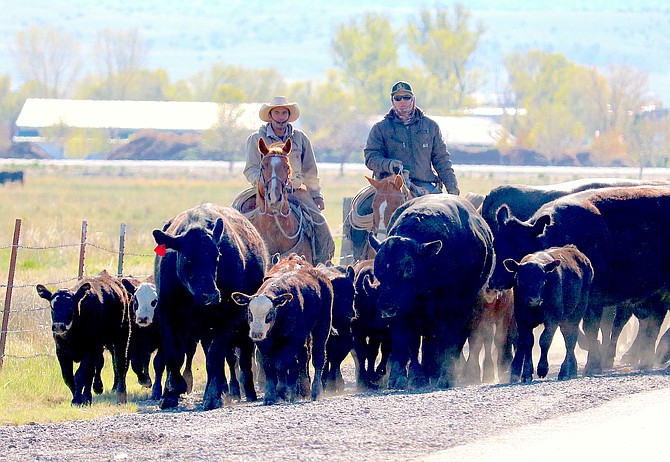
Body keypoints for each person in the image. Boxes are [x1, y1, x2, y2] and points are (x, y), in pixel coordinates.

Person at [243, 96, 335, 264]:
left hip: (296, 191)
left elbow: (310, 169)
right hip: (262, 189)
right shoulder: (256, 138)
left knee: (320, 222)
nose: (280, 116)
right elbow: (250, 168)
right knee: (237, 214)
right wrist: (266, 182)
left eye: (284, 113)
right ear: (270, 116)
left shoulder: (300, 138)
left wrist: (316, 195)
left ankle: (323, 263)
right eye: (276, 113)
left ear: (288, 116)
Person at [364, 81, 460, 196]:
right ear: (392, 101)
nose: (402, 101)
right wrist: (389, 165)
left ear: (413, 99)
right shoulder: (380, 128)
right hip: (392, 186)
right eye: (398, 98)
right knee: (366, 209)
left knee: (444, 211)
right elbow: (371, 158)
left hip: (425, 185)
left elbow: (441, 160)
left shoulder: (430, 126)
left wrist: (452, 187)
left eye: (406, 97)